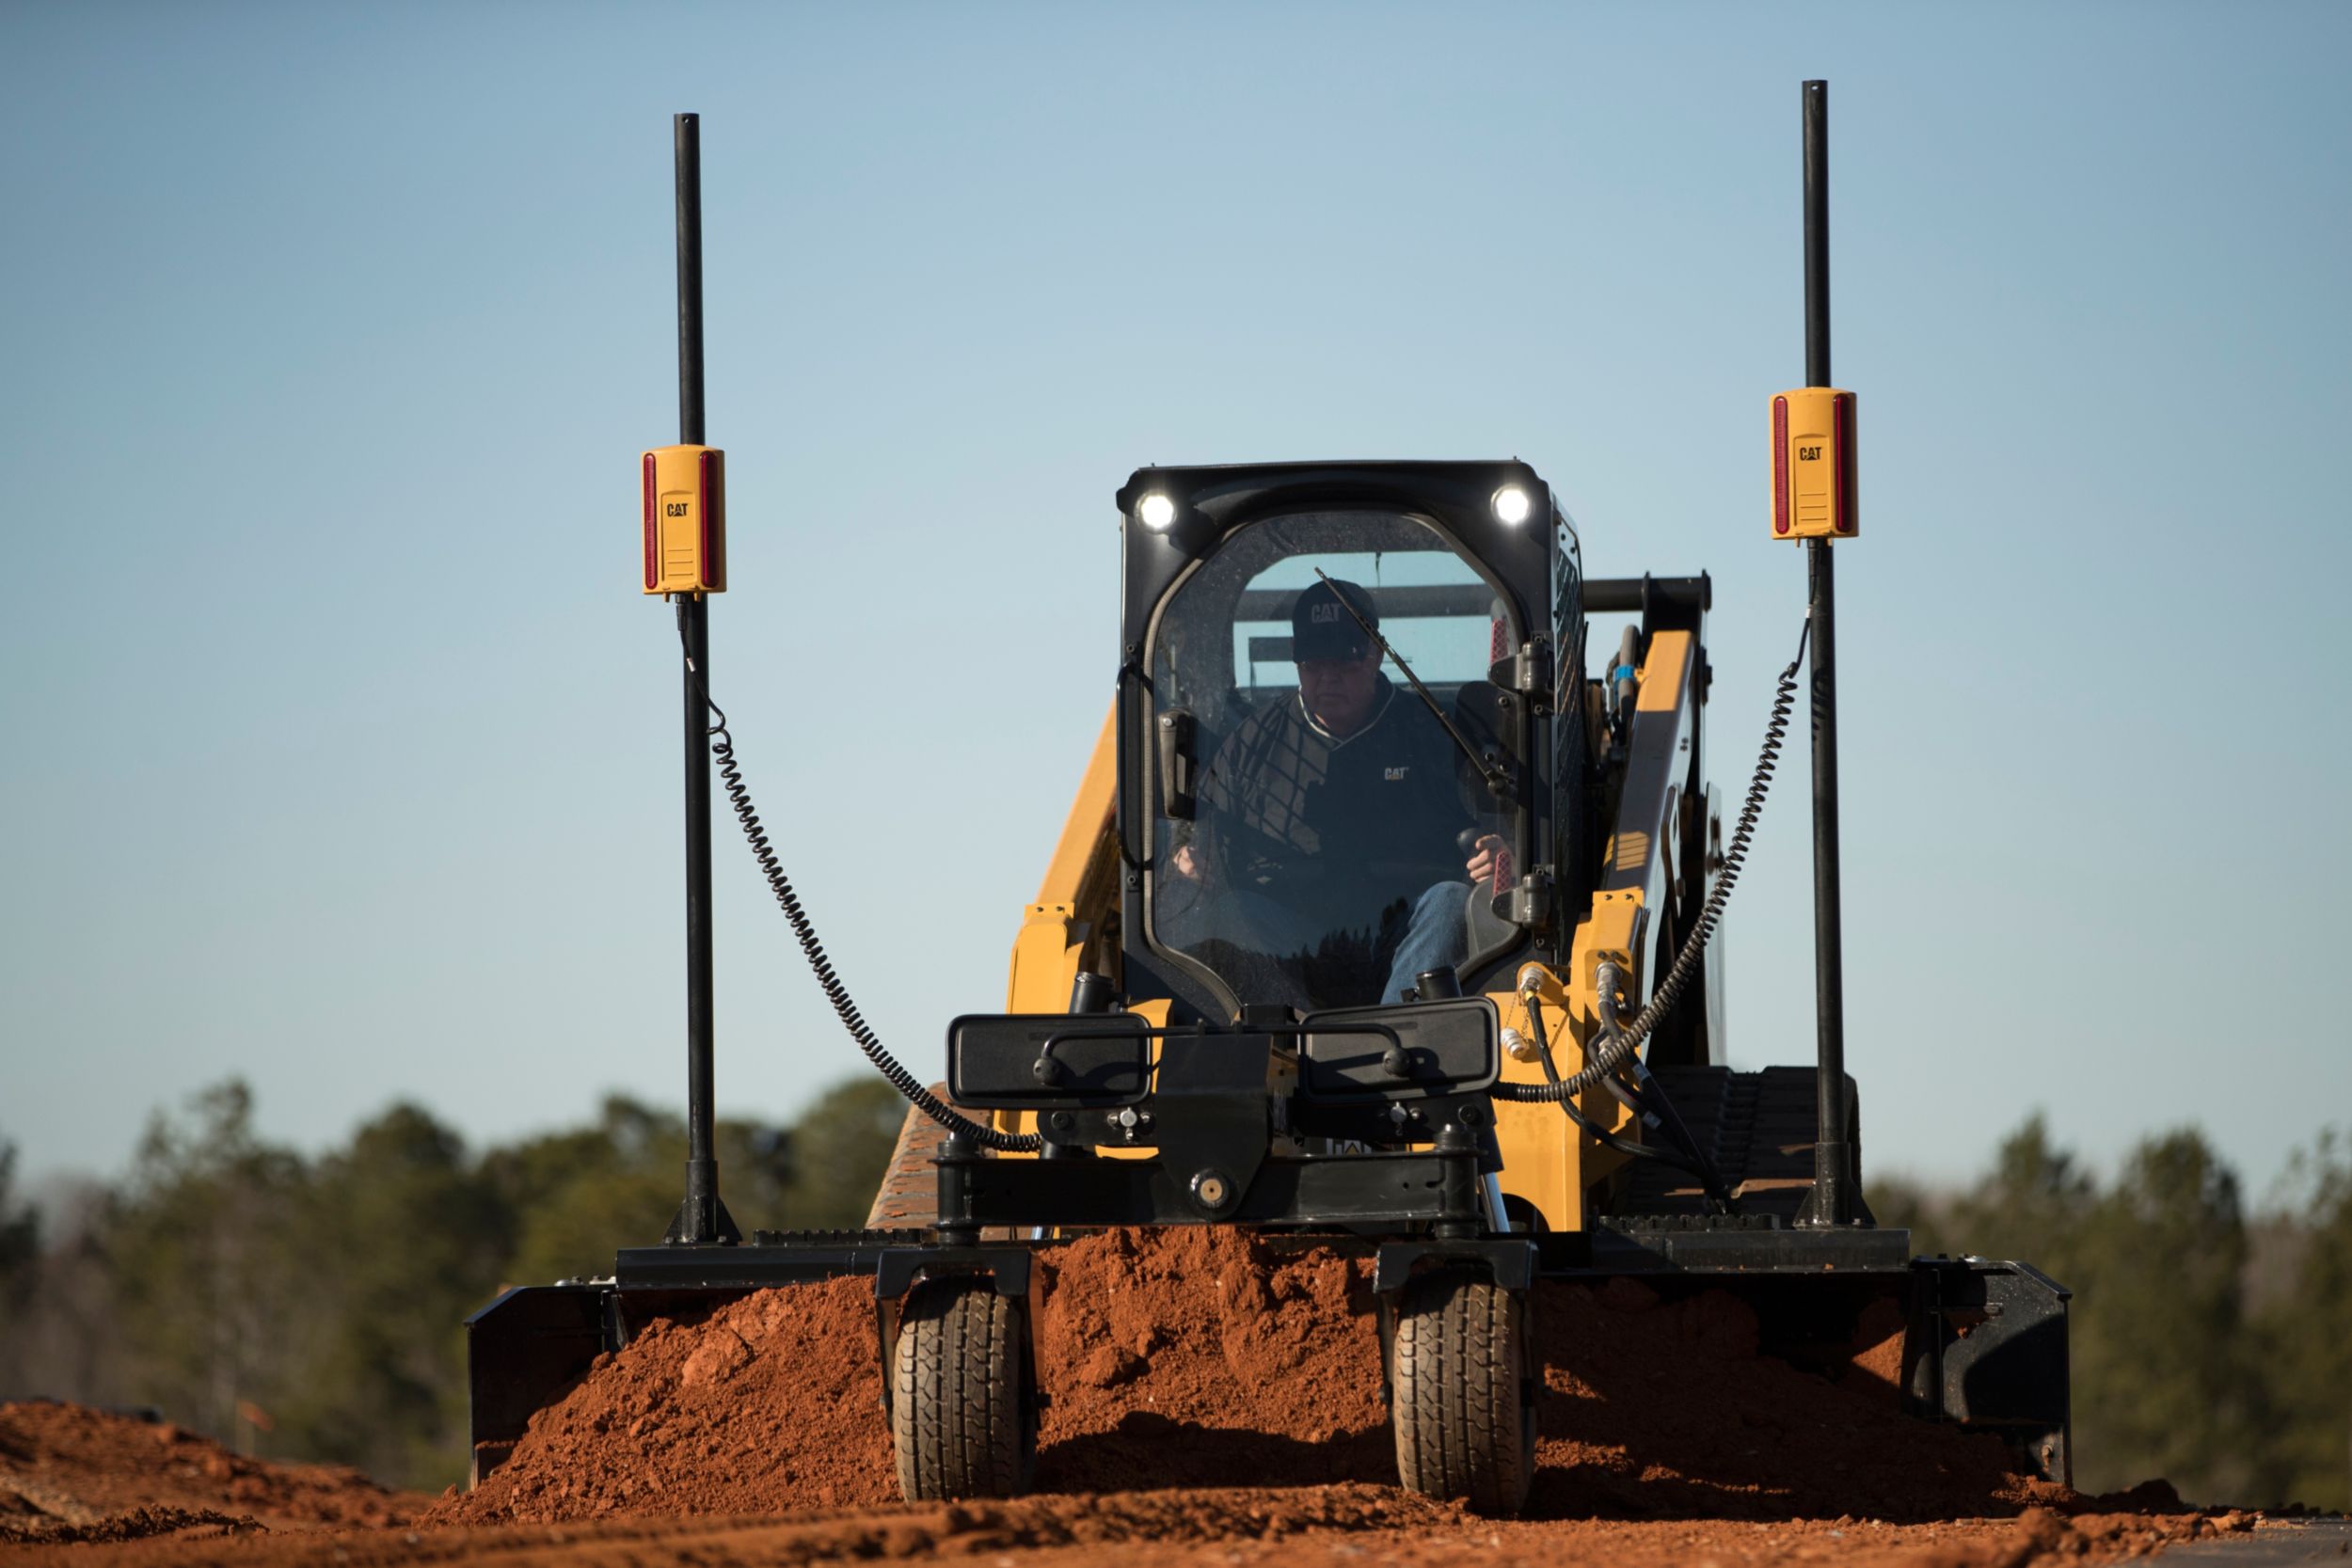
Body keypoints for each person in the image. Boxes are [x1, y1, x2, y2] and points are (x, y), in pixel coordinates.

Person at [1164, 578, 1502, 1008]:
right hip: (1295, 940)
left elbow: (1489, 827)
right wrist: (1188, 856)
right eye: (1314, 664)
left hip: (1404, 933)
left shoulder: (1431, 734)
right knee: (1233, 908)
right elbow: (1200, 832)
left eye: (1346, 662)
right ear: (1297, 664)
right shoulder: (1250, 744)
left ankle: (1396, 1031)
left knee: (1453, 901)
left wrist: (1493, 850)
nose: (1330, 678)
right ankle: (1299, 1037)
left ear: (1376, 655)